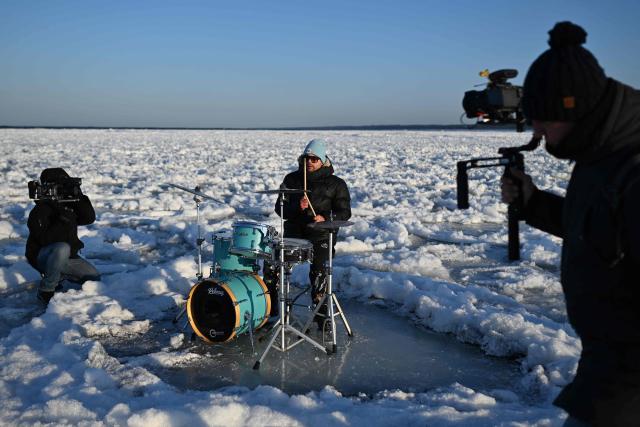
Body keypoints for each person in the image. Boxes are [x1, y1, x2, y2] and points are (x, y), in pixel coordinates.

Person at [501, 22, 640, 426]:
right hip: (608, 374)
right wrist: (534, 203)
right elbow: (602, 231)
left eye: (543, 120)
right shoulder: (600, 154)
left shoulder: (631, 168)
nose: (537, 132)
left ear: (574, 108)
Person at [267, 139, 351, 325]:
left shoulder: (337, 184)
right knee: (273, 265)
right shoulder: (292, 179)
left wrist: (326, 218)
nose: (309, 162)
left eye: (314, 159)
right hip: (295, 232)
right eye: (307, 158)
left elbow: (345, 213)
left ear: (322, 160)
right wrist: (297, 206)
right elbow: (280, 210)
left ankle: (321, 315)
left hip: (321, 234)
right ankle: (272, 310)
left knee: (319, 271)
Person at [26, 168, 101, 305]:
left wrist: (79, 196)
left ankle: (59, 274)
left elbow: (88, 218)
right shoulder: (41, 210)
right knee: (62, 248)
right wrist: (59, 216)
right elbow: (43, 239)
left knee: (93, 278)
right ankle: (46, 290)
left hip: (67, 256)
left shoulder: (69, 206)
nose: (60, 190)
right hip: (42, 256)